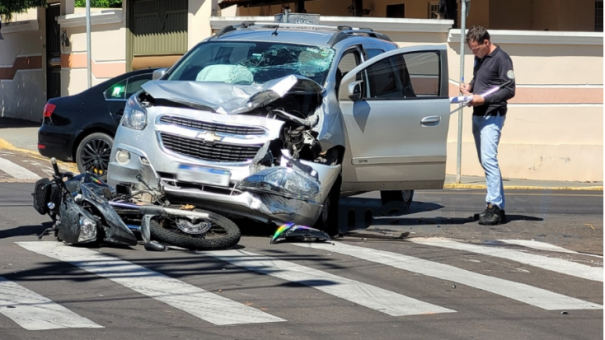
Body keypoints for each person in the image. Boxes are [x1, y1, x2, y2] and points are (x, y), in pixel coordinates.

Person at [459, 25, 516, 225]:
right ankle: (496, 207)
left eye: (476, 49)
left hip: (493, 114)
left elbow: (509, 90)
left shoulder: (502, 59)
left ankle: (494, 207)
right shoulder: (480, 58)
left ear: (486, 42)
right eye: (472, 50)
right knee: (486, 162)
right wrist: (470, 87)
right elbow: (480, 79)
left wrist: (482, 100)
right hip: (478, 114)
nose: (474, 53)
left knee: (489, 160)